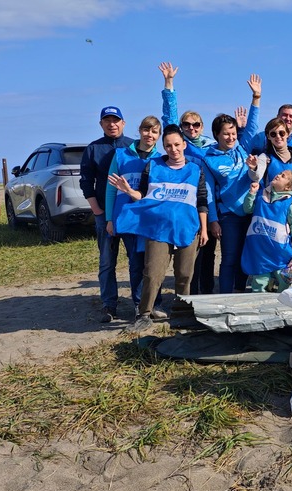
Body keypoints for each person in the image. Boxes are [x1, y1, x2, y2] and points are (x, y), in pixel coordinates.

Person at [109, 124, 209, 334]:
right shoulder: (153, 167)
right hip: (158, 229)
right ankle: (144, 314)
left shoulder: (195, 169)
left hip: (187, 229)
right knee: (153, 273)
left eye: (177, 145)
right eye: (168, 145)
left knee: (184, 274)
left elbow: (202, 201)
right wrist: (129, 191)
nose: (173, 149)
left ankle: (183, 314)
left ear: (184, 145)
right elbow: (143, 196)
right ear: (163, 147)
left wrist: (205, 229)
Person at [158, 61, 222, 294]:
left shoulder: (211, 148)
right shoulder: (182, 147)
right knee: (189, 251)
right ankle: (188, 296)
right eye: (187, 124)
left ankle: (205, 293)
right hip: (186, 205)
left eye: (196, 124)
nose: (191, 128)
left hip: (210, 205)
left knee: (208, 251)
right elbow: (169, 118)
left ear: (202, 127)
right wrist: (169, 84)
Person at [103, 116, 166, 319]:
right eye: (147, 130)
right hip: (128, 218)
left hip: (151, 219)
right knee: (136, 262)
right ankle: (139, 305)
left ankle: (155, 303)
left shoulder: (159, 160)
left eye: (155, 132)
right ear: (139, 130)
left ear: (159, 136)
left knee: (154, 262)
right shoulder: (120, 155)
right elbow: (110, 190)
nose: (150, 135)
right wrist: (110, 219)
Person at [79, 106, 134, 323]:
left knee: (136, 259)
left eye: (116, 120)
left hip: (129, 212)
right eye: (107, 120)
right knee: (107, 261)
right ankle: (109, 305)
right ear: (101, 124)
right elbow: (86, 181)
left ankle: (140, 303)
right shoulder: (93, 149)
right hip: (104, 214)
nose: (112, 124)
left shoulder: (132, 146)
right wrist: (97, 210)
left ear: (123, 122)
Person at [202, 112, 256, 293]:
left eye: (233, 133)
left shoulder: (242, 149)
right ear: (216, 134)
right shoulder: (209, 159)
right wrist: (213, 220)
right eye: (226, 133)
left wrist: (256, 98)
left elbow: (251, 128)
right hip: (227, 216)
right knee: (229, 258)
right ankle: (225, 296)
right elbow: (208, 192)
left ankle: (240, 292)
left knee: (245, 256)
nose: (231, 137)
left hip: (250, 212)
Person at [241, 167, 292, 293]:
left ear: (287, 187)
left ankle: (281, 301)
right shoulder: (261, 195)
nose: (278, 175)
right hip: (259, 249)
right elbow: (247, 209)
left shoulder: (289, 203)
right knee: (259, 281)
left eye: (283, 176)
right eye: (280, 173)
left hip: (279, 251)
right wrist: (252, 193)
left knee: (283, 280)